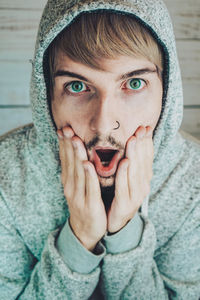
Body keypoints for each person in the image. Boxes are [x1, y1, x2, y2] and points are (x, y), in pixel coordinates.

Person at [0, 0, 199, 299]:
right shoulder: (6, 178)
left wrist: (126, 235)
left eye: (134, 83)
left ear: (166, 91)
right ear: (46, 96)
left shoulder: (193, 184)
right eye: (77, 86)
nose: (104, 125)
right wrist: (78, 239)